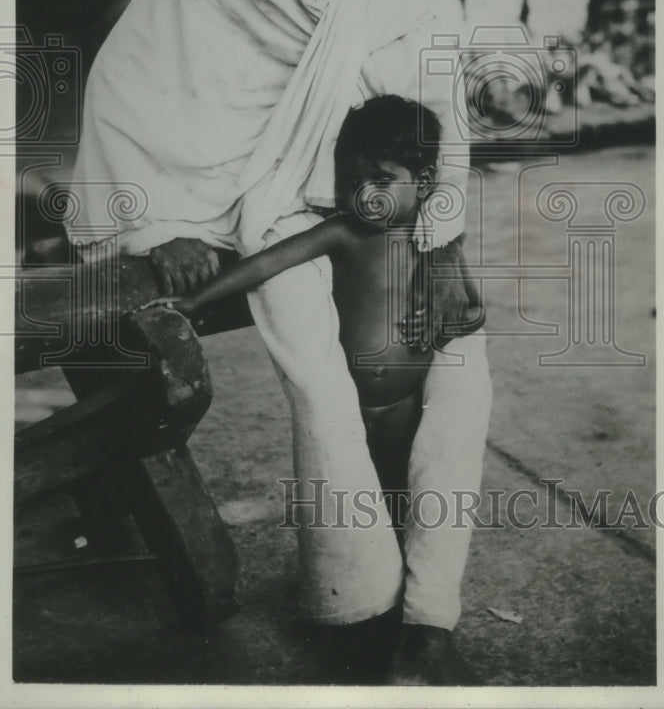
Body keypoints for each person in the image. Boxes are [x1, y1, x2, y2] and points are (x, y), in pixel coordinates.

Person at [70, 0, 492, 684]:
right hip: (273, 211)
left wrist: (449, 236)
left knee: (460, 378)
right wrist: (164, 223)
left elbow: (442, 98)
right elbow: (133, 81)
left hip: (399, 206)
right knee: (328, 386)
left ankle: (431, 616)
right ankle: (359, 598)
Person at [140, 95, 484, 518]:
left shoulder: (435, 242)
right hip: (344, 404)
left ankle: (394, 576)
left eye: (381, 180)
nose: (364, 197)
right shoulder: (344, 233)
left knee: (397, 492)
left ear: (425, 180)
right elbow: (267, 262)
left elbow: (475, 312)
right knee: (347, 506)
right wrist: (195, 298)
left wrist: (442, 324)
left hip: (404, 403)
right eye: (353, 182)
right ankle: (357, 581)